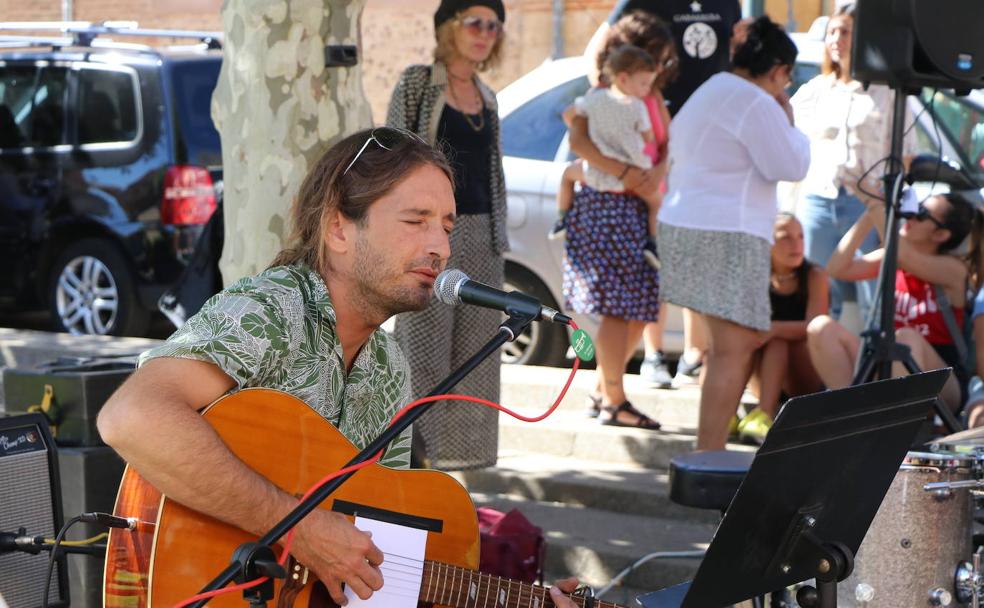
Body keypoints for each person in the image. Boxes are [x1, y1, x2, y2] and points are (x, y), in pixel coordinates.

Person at [96, 128, 457, 604]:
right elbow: (130, 417)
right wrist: (298, 530)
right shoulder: (273, 311)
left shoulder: (390, 369)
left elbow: (382, 548)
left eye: (448, 228)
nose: (441, 248)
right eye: (417, 221)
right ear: (338, 229)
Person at [657, 16, 810, 451]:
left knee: (723, 348)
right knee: (734, 349)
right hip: (727, 232)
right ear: (778, 69)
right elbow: (791, 165)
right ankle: (708, 453)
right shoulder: (757, 103)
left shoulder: (712, 88)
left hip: (687, 225)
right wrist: (789, 119)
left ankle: (707, 449)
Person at [386, 0, 509, 470]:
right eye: (474, 22)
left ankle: (456, 472)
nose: (485, 33)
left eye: (494, 26)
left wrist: (500, 240)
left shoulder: (488, 95)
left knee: (478, 358)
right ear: (447, 28)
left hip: (483, 236)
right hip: (430, 234)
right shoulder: (418, 81)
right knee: (423, 352)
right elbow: (393, 154)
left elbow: (492, 173)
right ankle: (411, 462)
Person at [565, 11, 670, 428]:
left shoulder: (651, 95)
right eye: (657, 57)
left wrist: (653, 179)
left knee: (643, 304)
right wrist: (630, 174)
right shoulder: (606, 96)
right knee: (618, 308)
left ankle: (604, 390)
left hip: (641, 202)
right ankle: (614, 397)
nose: (663, 66)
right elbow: (577, 141)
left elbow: (664, 149)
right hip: (612, 202)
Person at [791, 3, 915, 322]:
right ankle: (819, 367)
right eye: (832, 32)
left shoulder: (886, 93)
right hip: (818, 202)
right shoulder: (816, 90)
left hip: (865, 208)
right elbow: (784, 132)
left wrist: (887, 202)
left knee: (873, 300)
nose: (836, 39)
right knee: (819, 296)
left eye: (844, 32)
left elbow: (906, 155)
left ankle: (875, 369)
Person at [807, 192, 984, 413]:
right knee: (821, 328)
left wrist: (877, 204)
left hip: (943, 381)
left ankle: (892, 426)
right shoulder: (892, 256)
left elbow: (904, 256)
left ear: (940, 234)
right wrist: (870, 214)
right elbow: (837, 268)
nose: (909, 216)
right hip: (885, 365)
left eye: (921, 214)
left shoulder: (954, 269)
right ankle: (851, 419)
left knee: (905, 338)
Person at [551, 44, 662, 270]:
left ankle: (562, 217)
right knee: (656, 202)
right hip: (634, 171)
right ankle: (652, 243)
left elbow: (569, 114)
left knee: (567, 175)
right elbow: (649, 136)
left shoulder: (593, 101)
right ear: (623, 78)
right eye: (644, 83)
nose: (647, 89)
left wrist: (588, 123)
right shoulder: (638, 106)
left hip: (597, 170)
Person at [741, 213, 828, 444]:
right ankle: (737, 412)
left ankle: (764, 414)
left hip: (804, 377)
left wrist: (774, 329)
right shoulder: (754, 277)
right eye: (785, 237)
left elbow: (815, 327)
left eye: (800, 236)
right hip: (764, 373)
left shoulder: (814, 275)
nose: (796, 244)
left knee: (780, 339)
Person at [589, 0, 743, 116]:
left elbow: (737, 50)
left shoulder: (728, 2)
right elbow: (599, 52)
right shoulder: (639, 2)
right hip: (657, 113)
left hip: (713, 114)